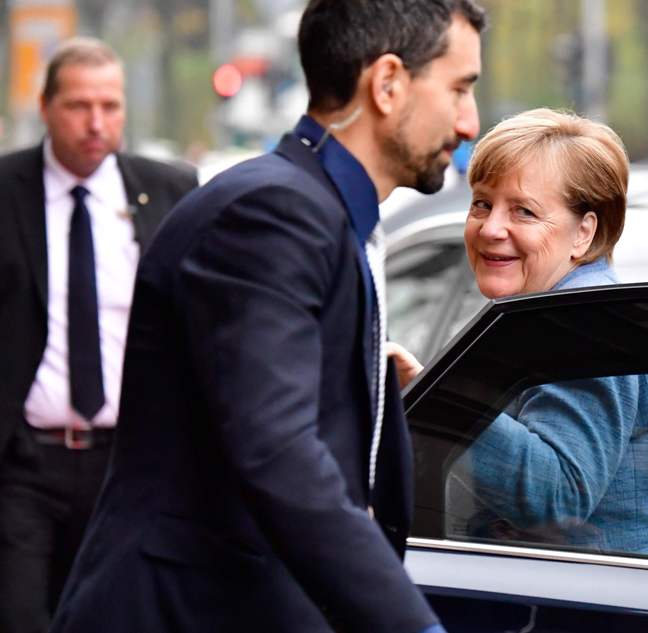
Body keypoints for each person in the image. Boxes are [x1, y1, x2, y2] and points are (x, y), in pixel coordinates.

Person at [50, 1, 485, 632]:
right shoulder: (273, 214)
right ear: (388, 84)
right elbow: (278, 453)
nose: (469, 121)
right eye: (459, 88)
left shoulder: (319, 213)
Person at [390, 108, 648, 557]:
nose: (490, 229)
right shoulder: (546, 313)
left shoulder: (588, 325)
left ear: (584, 232)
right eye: (482, 203)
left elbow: (556, 499)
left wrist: (431, 395)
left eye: (523, 212)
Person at [0, 37, 197, 632]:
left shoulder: (168, 190)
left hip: (128, 461)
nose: (96, 123)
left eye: (110, 106)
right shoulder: (7, 190)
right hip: (26, 462)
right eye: (79, 106)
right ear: (46, 107)